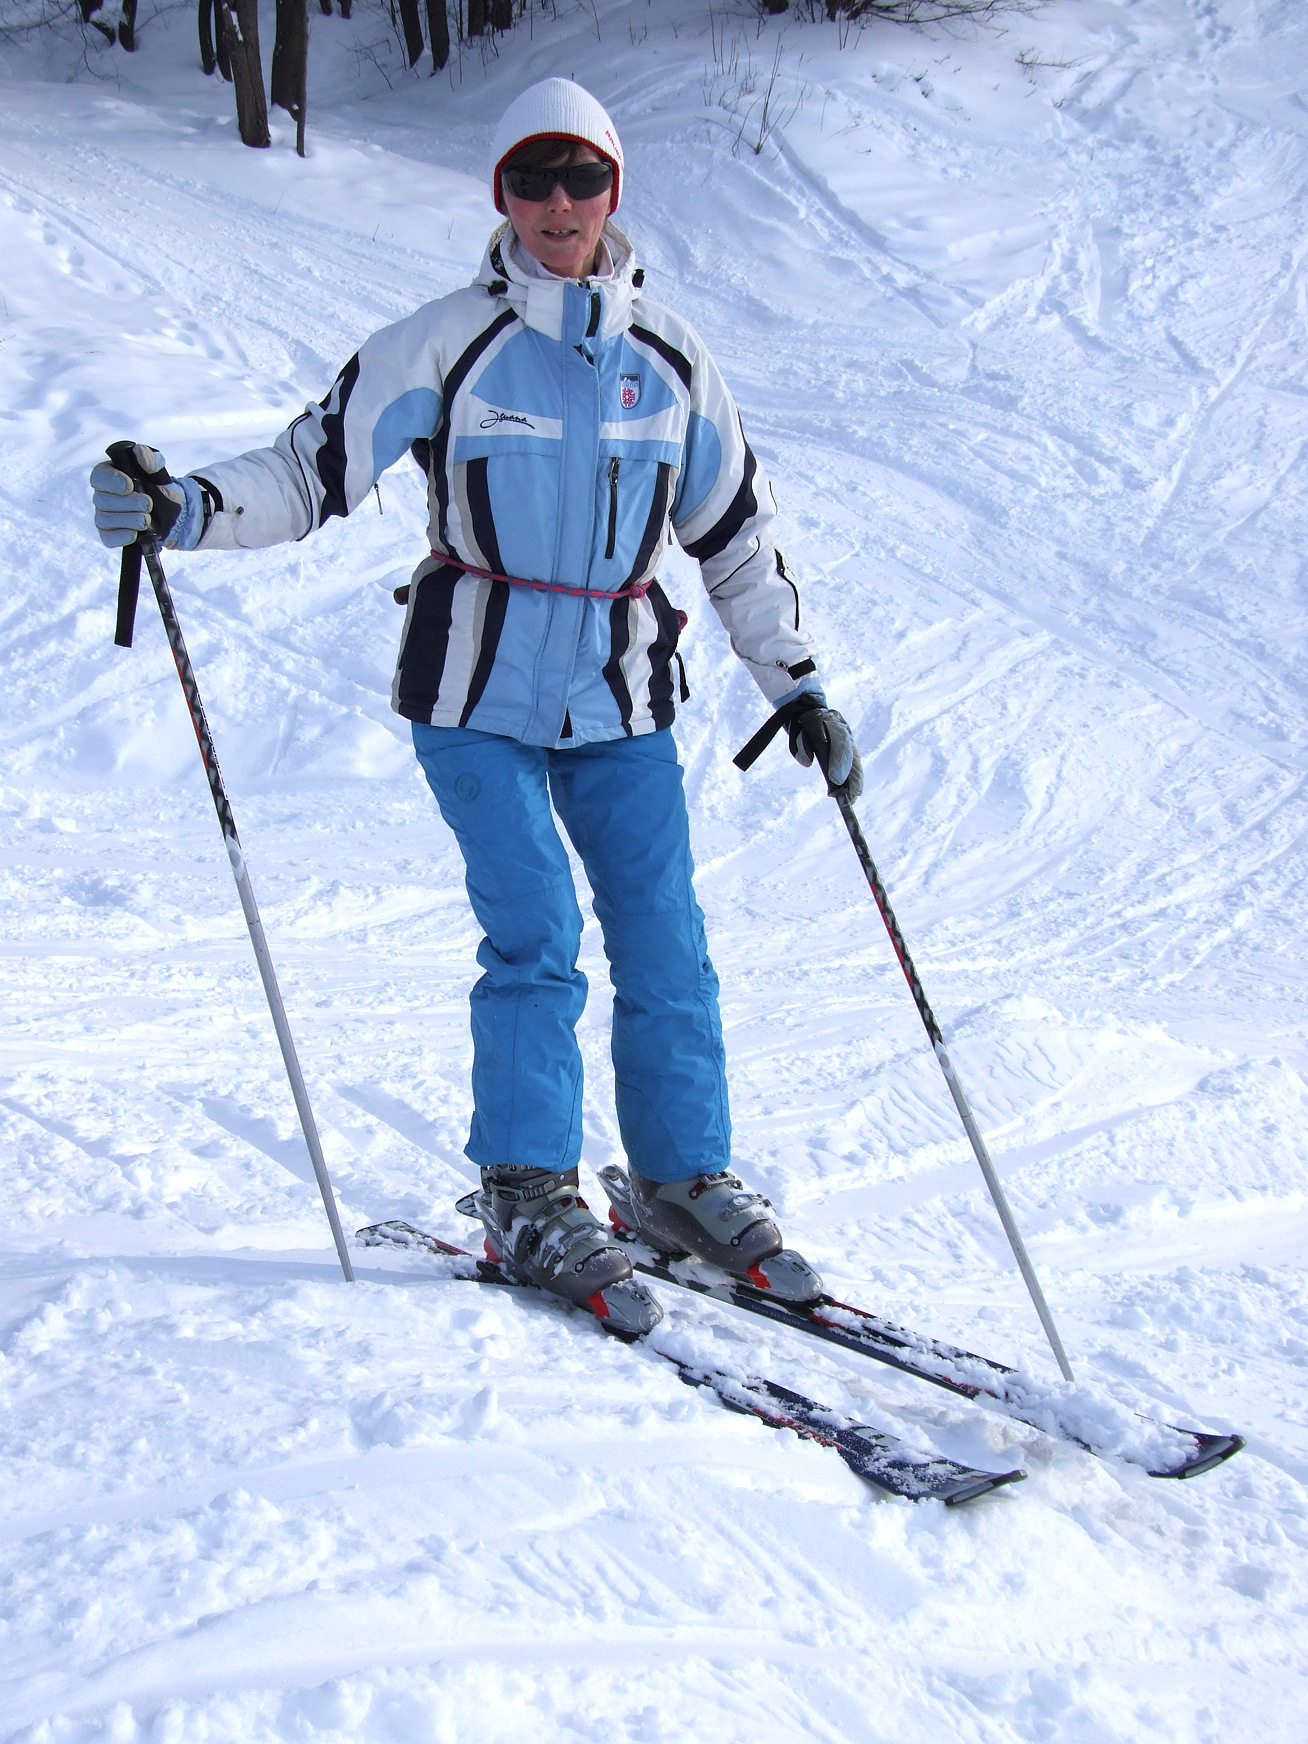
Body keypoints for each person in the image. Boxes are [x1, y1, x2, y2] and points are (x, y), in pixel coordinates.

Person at [90, 78, 862, 1337]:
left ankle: (679, 1181)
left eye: (581, 178)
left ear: (614, 190)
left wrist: (800, 684)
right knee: (537, 931)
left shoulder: (671, 362)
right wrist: (181, 507)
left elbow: (734, 536)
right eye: (532, 179)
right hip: (473, 690)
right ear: (501, 194)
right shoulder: (449, 343)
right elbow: (309, 468)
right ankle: (526, 1191)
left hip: (621, 693)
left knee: (666, 938)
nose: (559, 204)